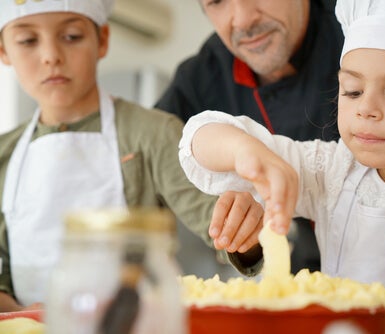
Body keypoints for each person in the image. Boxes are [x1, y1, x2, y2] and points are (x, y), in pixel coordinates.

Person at [178, 0, 385, 332]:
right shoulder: (331, 171)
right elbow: (198, 138)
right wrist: (248, 152)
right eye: (353, 90)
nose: (367, 110)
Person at [0, 0, 263, 312]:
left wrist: (245, 229)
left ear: (102, 40)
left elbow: (221, 225)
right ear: (4, 51)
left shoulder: (152, 133)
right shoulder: (5, 154)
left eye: (71, 36)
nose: (51, 56)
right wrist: (26, 316)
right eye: (28, 41)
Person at [155, 0, 345, 274]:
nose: (243, 19)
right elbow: (170, 152)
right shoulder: (203, 75)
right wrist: (240, 228)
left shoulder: (358, 27)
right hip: (304, 278)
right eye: (217, 1)